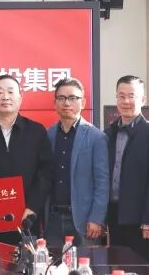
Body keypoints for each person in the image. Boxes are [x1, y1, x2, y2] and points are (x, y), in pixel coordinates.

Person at [0, 74, 53, 244]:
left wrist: (32, 207)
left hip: (26, 220)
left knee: (25, 260)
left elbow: (45, 173)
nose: (5, 97)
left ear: (20, 98)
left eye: (10, 92)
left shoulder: (36, 131)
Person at [106, 75, 149, 266]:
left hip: (142, 220)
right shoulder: (108, 133)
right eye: (121, 96)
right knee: (117, 269)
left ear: (143, 99)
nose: (126, 101)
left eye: (131, 96)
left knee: (142, 271)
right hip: (115, 215)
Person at [44, 77, 109, 246]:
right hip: (53, 220)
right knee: (52, 263)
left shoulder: (96, 137)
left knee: (84, 263)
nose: (67, 103)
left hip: (84, 220)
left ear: (83, 102)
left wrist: (97, 218)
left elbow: (102, 182)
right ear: (55, 103)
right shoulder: (48, 135)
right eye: (61, 98)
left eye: (72, 98)